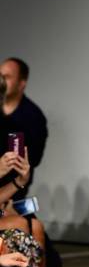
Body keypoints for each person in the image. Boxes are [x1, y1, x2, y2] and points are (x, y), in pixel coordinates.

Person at [0, 58, 47, 197]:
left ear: (22, 83)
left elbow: (33, 160)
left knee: (31, 212)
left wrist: (19, 181)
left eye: (6, 77)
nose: (1, 81)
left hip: (14, 194)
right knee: (14, 218)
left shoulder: (33, 116)